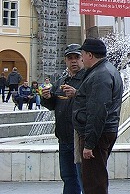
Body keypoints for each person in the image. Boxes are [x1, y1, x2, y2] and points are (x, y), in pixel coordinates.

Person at [72, 38, 124, 194]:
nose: (80, 58)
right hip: (102, 131)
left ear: (89, 55)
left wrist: (89, 144)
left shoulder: (100, 75)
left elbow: (98, 111)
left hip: (98, 133)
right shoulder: (106, 70)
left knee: (94, 182)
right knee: (96, 176)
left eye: (82, 54)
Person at [41, 43, 86, 194]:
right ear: (65, 61)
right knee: (67, 177)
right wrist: (47, 98)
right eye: (70, 58)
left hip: (79, 137)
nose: (73, 61)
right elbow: (53, 104)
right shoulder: (61, 81)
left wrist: (77, 92)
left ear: (83, 59)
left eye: (77, 57)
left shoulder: (87, 78)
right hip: (63, 137)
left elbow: (95, 101)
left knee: (83, 177)